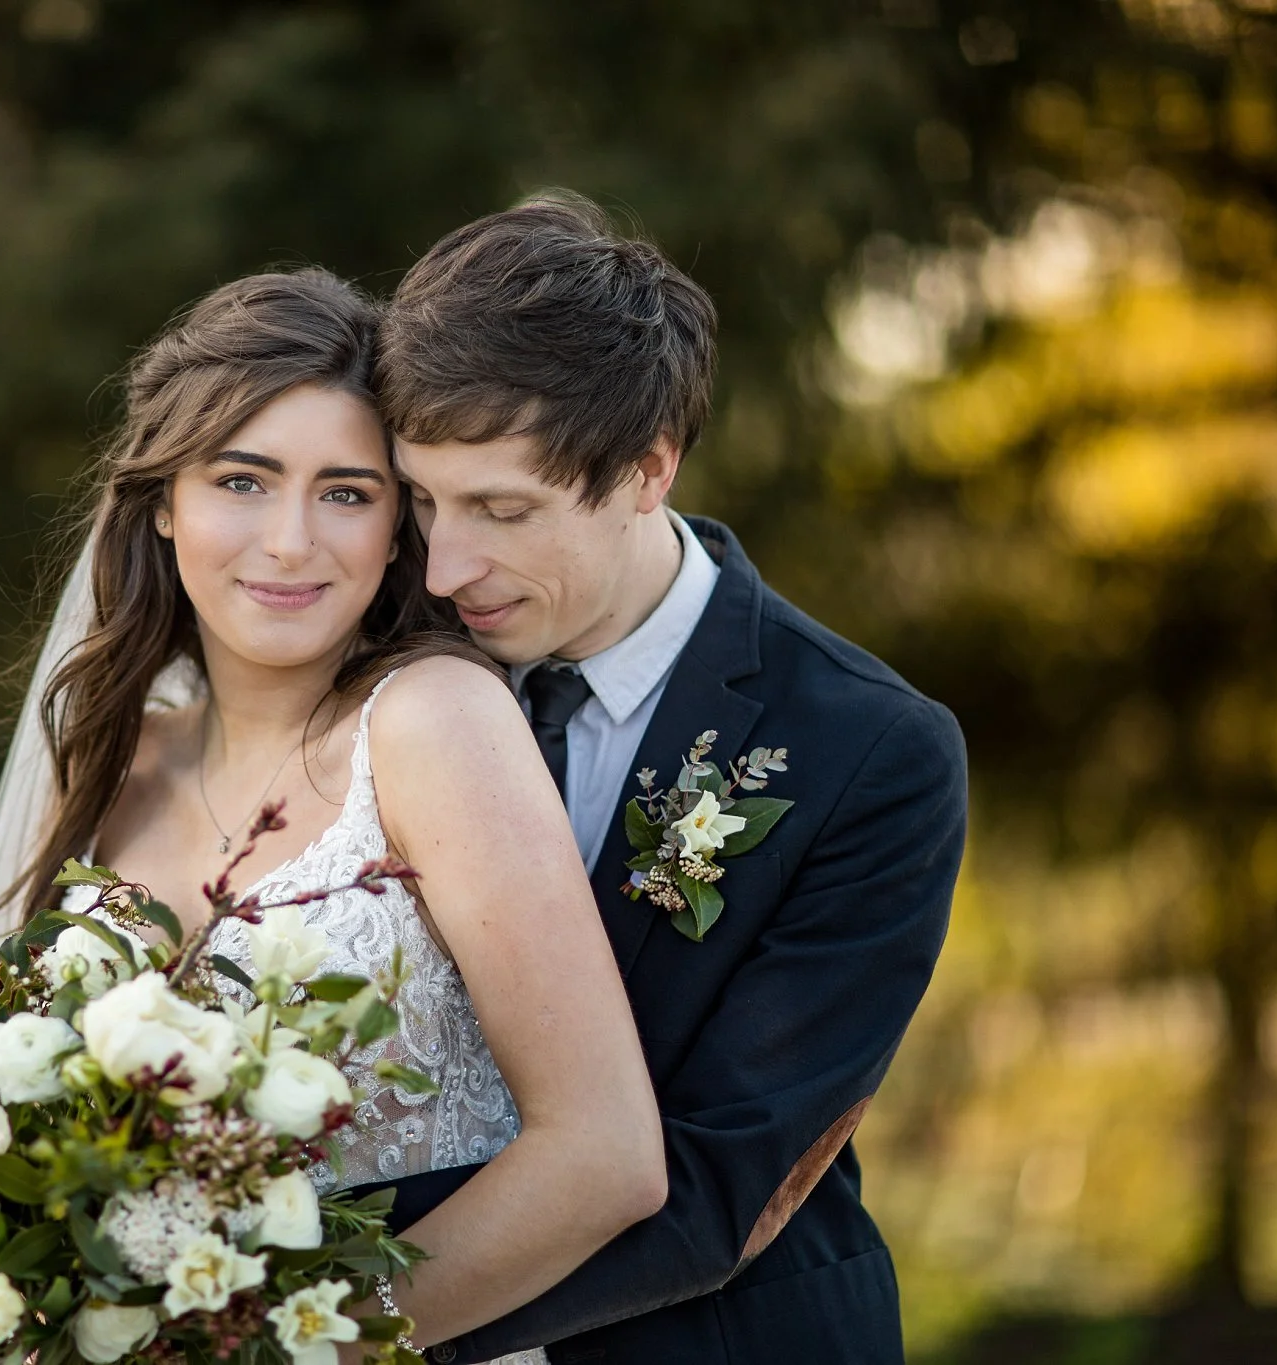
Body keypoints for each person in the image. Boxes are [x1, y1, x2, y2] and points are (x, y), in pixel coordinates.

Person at [0, 268, 667, 1354]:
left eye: (345, 492)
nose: (290, 541)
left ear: (397, 532)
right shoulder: (109, 764)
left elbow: (604, 1153)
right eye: (242, 480)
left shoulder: (430, 726)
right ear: (160, 503)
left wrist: (291, 1348)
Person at [366, 191, 968, 1365]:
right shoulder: (384, 660)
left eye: (502, 509)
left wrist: (323, 1328)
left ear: (648, 467)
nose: (442, 567)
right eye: (422, 500)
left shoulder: (869, 752)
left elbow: (725, 1173)